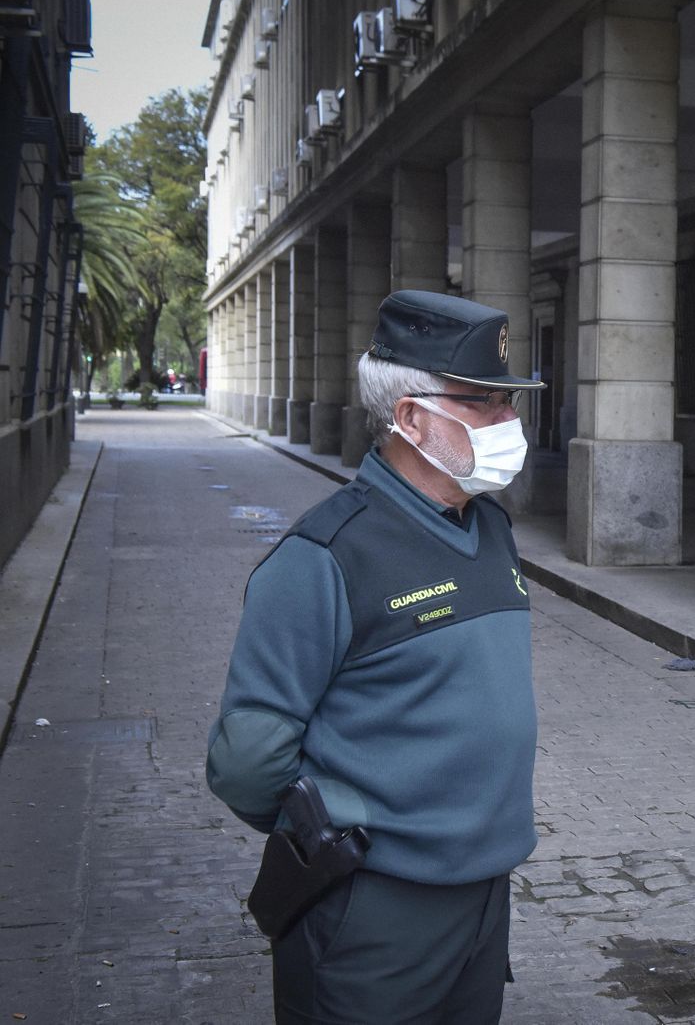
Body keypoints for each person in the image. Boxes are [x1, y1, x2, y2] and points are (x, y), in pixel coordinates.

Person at [206, 290, 544, 1024]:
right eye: (486, 403)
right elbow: (246, 763)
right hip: (374, 907)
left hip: (485, 893)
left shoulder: (488, 527)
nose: (509, 422)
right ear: (413, 416)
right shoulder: (325, 554)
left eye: (511, 402)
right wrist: (349, 831)